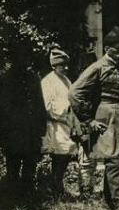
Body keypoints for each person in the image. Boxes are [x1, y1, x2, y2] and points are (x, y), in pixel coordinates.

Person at [70, 27, 119, 210]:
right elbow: (75, 93)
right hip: (107, 120)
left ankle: (109, 203)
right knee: (114, 161)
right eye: (118, 49)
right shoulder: (97, 68)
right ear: (107, 49)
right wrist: (88, 120)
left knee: (115, 160)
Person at [0, 48, 46, 195]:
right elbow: (3, 108)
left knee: (30, 162)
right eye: (22, 58)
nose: (25, 62)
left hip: (31, 131)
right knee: (13, 163)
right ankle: (13, 195)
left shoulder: (33, 78)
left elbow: (40, 104)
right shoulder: (5, 79)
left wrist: (42, 127)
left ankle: (28, 194)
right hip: (13, 132)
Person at [40, 49, 79, 196]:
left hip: (66, 124)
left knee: (66, 154)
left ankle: (57, 184)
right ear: (54, 66)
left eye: (66, 65)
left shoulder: (67, 81)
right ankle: (54, 186)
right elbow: (47, 106)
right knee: (59, 154)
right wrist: (65, 109)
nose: (66, 68)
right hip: (55, 124)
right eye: (62, 65)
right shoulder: (48, 82)